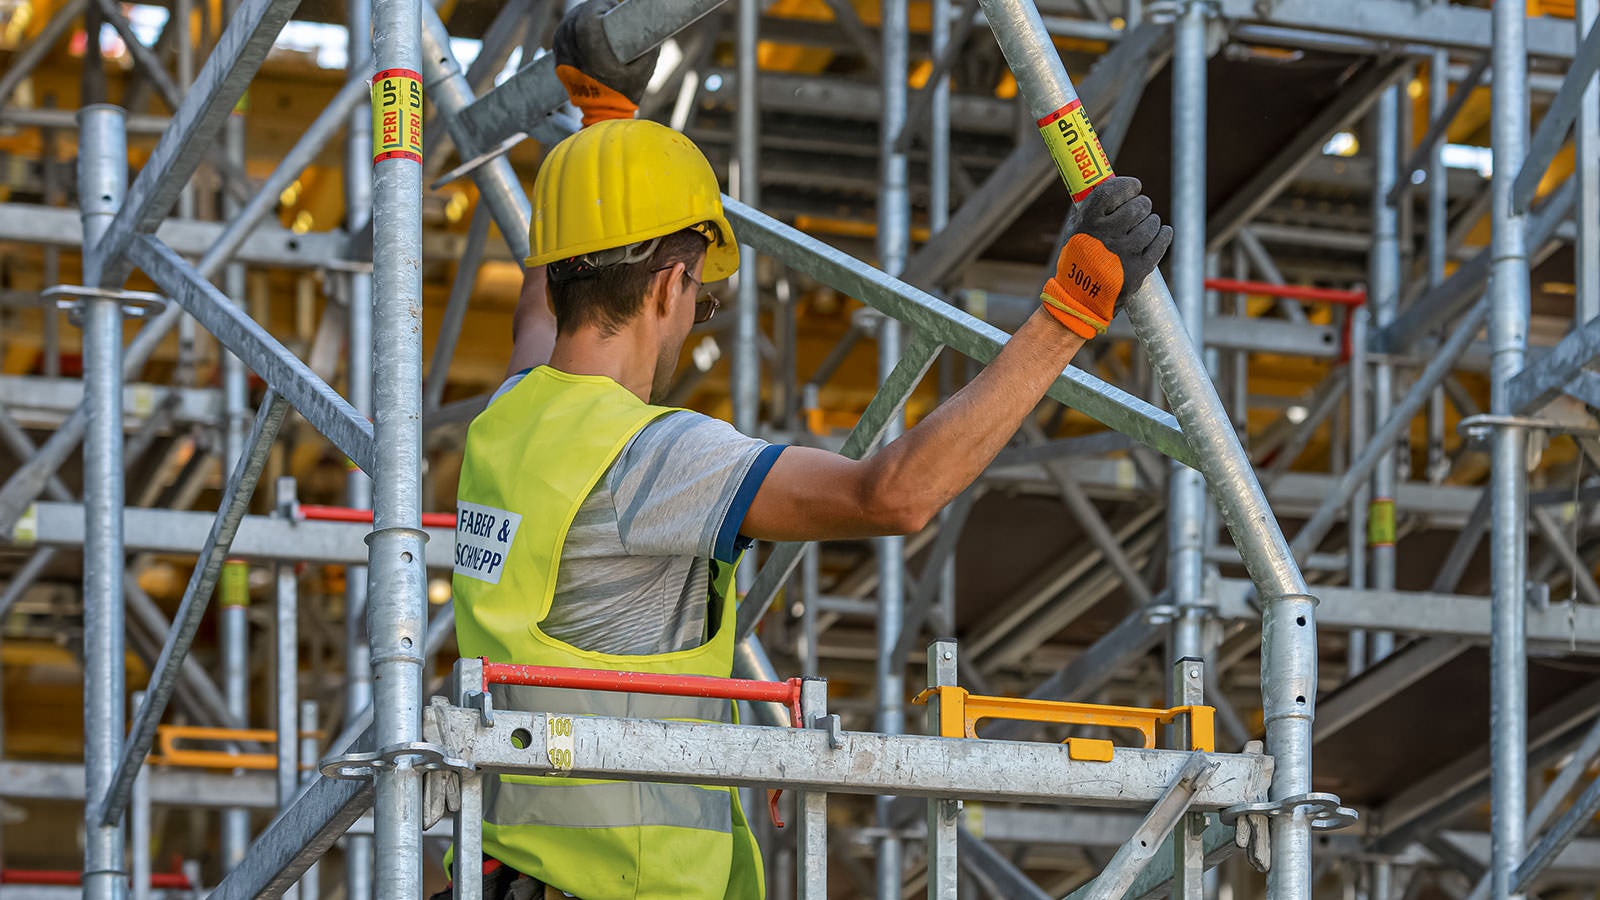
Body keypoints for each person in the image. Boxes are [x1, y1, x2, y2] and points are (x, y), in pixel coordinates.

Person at [447, 3, 1171, 897]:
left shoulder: (509, 420)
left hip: (502, 873)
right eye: (703, 301)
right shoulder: (653, 458)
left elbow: (540, 304)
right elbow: (891, 495)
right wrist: (1069, 315)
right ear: (673, 282)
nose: (694, 317)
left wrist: (606, 132)